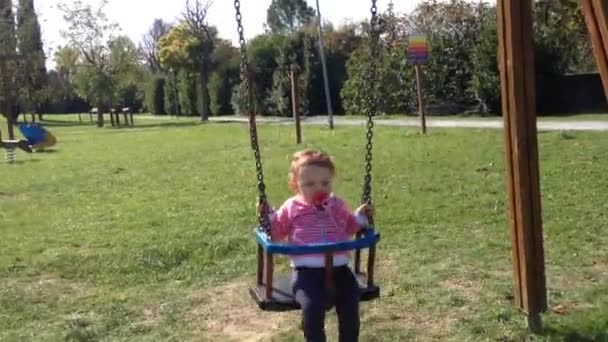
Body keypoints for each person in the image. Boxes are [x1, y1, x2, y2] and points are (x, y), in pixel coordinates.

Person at [258, 149, 374, 342]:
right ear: (295, 185)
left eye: (325, 183)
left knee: (350, 304)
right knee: (312, 307)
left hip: (340, 269)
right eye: (310, 184)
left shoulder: (336, 204)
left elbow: (350, 226)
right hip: (306, 272)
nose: (319, 188)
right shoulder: (292, 207)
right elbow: (277, 233)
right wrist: (268, 217)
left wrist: (361, 217)